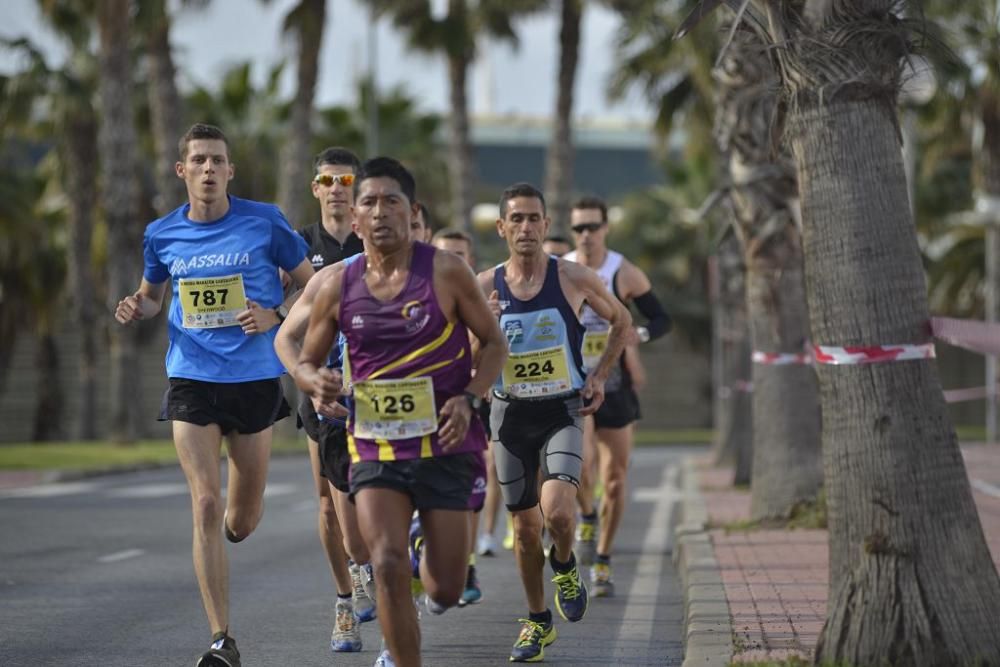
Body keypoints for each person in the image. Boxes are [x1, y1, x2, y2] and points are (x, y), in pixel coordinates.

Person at [113, 123, 314, 667]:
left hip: (253, 378)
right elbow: (154, 296)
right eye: (198, 160)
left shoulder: (264, 221)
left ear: (230, 171)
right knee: (204, 500)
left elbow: (309, 283)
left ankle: (234, 520)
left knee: (240, 520)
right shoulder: (161, 233)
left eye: (216, 160)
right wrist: (137, 306)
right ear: (182, 171)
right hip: (191, 376)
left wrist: (276, 314)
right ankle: (222, 639)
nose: (207, 169)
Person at [295, 157, 507, 667]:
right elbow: (304, 355)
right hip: (375, 443)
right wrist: (312, 379)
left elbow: (495, 342)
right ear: (356, 218)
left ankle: (427, 571)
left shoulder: (446, 271)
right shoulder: (337, 285)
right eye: (368, 201)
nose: (379, 210)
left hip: (447, 444)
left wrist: (472, 396)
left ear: (411, 212)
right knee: (383, 561)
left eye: (391, 200)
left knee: (448, 587)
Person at [479, 183, 632, 662]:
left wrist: (601, 375)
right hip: (508, 417)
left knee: (560, 512)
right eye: (516, 219)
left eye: (534, 219)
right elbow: (456, 348)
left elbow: (622, 321)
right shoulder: (483, 286)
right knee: (523, 531)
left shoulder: (573, 278)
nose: (526, 227)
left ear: (546, 226)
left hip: (561, 409)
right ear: (502, 228)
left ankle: (564, 564)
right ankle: (537, 621)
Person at [284, 147, 375, 653]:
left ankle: (371, 569)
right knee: (326, 503)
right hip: (322, 389)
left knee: (372, 497)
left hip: (378, 390)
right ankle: (345, 603)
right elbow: (278, 306)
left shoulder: (375, 239)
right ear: (316, 188)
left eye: (345, 179)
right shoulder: (300, 245)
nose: (337, 187)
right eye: (327, 179)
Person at [564, 195, 671, 597]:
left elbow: (662, 318)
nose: (586, 235)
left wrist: (637, 335)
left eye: (593, 227)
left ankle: (604, 559)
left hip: (615, 386)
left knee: (614, 479)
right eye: (579, 228)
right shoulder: (563, 270)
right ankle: (586, 515)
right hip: (574, 384)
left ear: (606, 228)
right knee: (582, 465)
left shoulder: (622, 271)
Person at [431, 227, 489, 606]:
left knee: (469, 495)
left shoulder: (480, 297)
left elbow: (488, 355)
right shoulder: (418, 295)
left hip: (471, 408)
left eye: (460, 254)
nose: (453, 260)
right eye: (445, 253)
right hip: (419, 412)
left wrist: (487, 331)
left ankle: (464, 564)